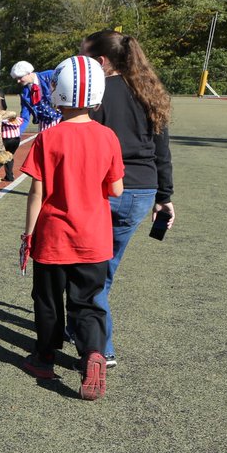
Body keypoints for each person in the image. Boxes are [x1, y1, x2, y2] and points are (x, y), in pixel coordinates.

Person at [19, 55, 123, 401]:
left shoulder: (48, 139)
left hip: (53, 236)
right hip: (94, 236)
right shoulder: (108, 136)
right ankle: (92, 351)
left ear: (57, 91)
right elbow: (117, 189)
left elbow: (37, 192)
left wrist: (28, 234)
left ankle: (45, 358)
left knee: (47, 301)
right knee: (88, 302)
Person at [80, 29, 175, 370]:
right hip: (143, 191)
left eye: (86, 57)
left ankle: (100, 346)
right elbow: (162, 150)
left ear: (101, 61)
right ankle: (84, 328)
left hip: (105, 188)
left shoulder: (98, 92)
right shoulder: (150, 90)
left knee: (91, 274)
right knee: (105, 268)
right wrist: (164, 197)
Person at [11, 60, 61, 134]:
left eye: (20, 77)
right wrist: (16, 134)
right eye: (16, 78)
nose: (18, 81)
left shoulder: (49, 75)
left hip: (62, 121)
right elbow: (25, 118)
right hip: (44, 125)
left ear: (28, 73)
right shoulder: (25, 94)